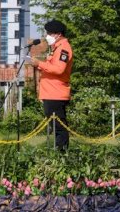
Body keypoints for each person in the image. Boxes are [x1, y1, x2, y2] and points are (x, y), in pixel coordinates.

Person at [29, 20, 73, 150]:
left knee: (59, 126)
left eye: (49, 33)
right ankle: (59, 150)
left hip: (56, 93)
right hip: (51, 92)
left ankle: (62, 152)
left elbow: (59, 69)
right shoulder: (57, 48)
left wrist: (40, 64)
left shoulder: (64, 49)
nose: (46, 36)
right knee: (55, 125)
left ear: (58, 34)